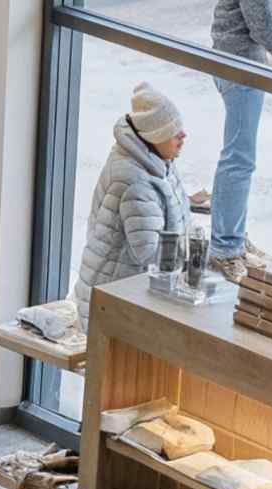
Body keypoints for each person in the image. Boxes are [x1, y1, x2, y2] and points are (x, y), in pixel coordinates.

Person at [73, 83, 192, 329]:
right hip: (113, 306)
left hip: (125, 295)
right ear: (153, 136)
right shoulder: (135, 181)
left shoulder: (157, 161)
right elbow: (150, 253)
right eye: (173, 131)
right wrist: (197, 255)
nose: (183, 136)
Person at [207, 0, 272, 281]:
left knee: (237, 156)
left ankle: (234, 238)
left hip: (238, 59)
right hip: (240, 66)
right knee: (239, 160)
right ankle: (225, 247)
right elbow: (261, 22)